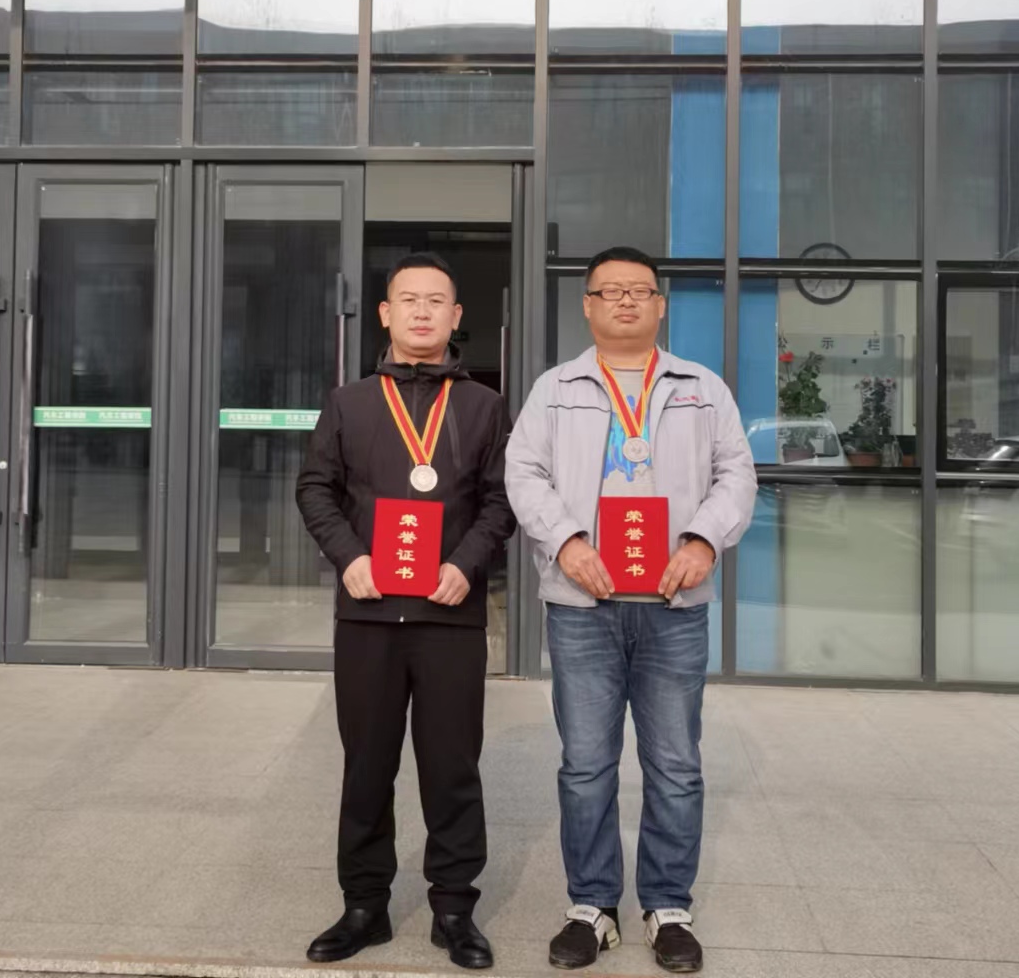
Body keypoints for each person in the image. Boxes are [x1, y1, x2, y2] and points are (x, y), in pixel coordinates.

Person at [505, 246, 756, 974]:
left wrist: (705, 539)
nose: (624, 301)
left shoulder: (701, 388)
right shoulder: (555, 389)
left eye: (639, 290)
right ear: (587, 305)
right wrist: (567, 541)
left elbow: (736, 473)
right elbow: (523, 472)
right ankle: (592, 905)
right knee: (586, 764)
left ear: (660, 305)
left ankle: (668, 906)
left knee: (675, 763)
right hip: (583, 604)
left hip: (674, 604)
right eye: (609, 291)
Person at [296, 251, 516, 971]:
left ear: (457, 316)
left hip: (449, 615)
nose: (423, 311)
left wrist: (465, 564)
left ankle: (454, 909)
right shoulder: (349, 403)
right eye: (409, 300)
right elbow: (315, 489)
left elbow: (501, 501)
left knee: (452, 768)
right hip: (368, 613)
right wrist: (348, 556)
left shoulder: (484, 406)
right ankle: (364, 906)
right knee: (367, 766)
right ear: (385, 314)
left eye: (437, 301)